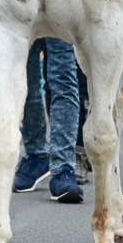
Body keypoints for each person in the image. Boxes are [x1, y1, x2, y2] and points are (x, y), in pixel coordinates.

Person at [13, 38, 84, 203]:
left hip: (62, 13)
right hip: (24, 14)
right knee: (24, 79)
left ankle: (64, 168)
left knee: (64, 79)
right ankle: (36, 155)